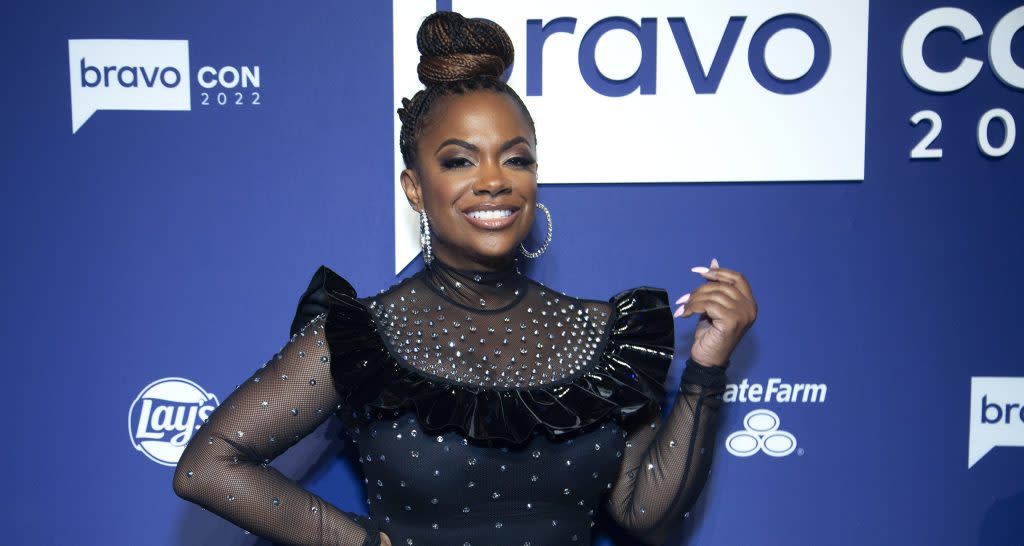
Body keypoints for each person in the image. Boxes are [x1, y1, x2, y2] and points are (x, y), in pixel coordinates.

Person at [172, 11, 757, 546]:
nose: (495, 180)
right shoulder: (361, 337)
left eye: (517, 157)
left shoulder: (604, 335)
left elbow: (644, 512)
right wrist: (357, 543)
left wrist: (707, 368)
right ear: (415, 188)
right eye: (459, 160)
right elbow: (207, 466)